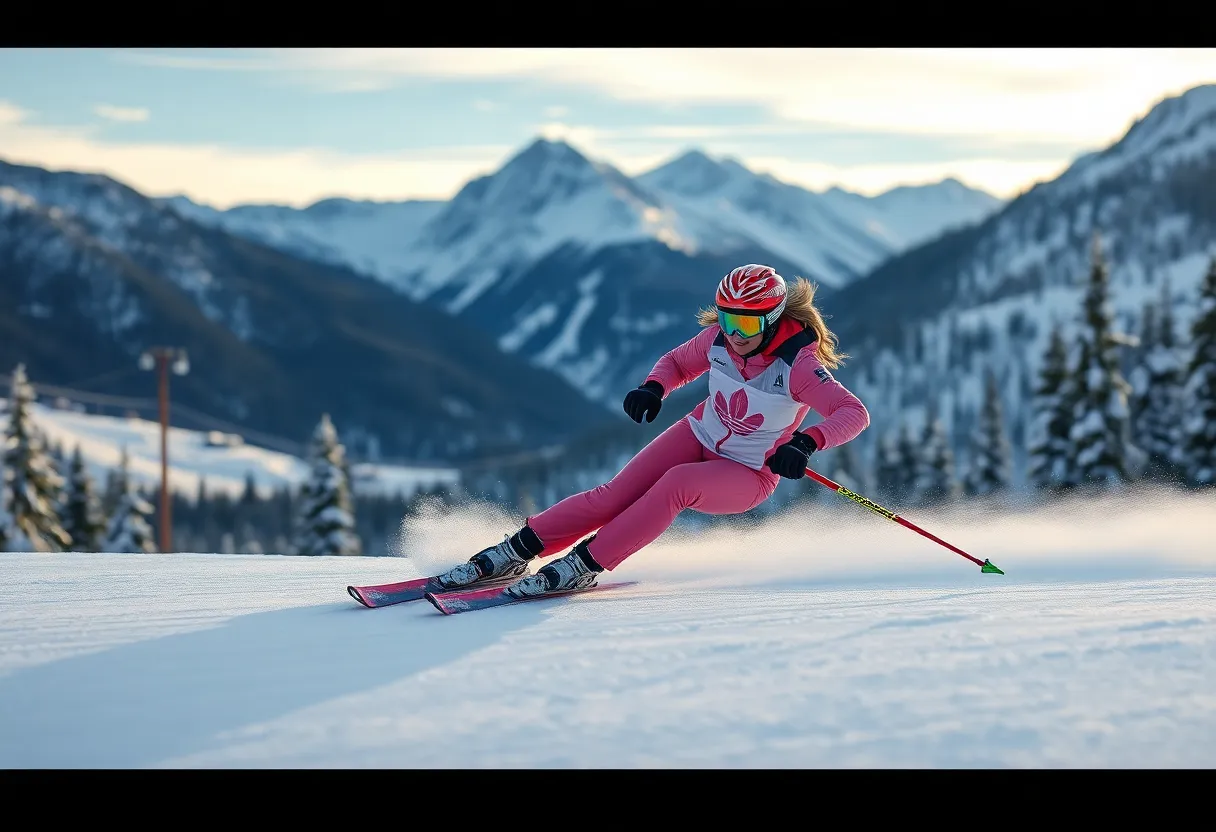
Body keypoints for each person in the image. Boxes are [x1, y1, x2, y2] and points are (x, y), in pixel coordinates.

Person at [436, 264, 871, 598]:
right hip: (697, 434)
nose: (735, 335)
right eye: (727, 319)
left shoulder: (797, 366)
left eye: (748, 324)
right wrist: (653, 387)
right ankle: (516, 551)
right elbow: (678, 362)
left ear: (772, 319)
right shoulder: (717, 341)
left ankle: (584, 565)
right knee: (612, 495)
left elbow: (852, 412)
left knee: (676, 485)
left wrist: (806, 441)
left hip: (749, 471)